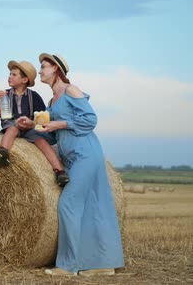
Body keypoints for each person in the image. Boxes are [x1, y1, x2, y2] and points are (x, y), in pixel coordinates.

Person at [17, 53, 124, 276]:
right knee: (93, 207)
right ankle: (102, 265)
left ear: (56, 69)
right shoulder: (51, 102)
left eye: (44, 67)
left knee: (68, 204)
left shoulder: (71, 90)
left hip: (86, 154)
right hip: (72, 158)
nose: (41, 71)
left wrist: (57, 123)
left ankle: (67, 266)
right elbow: (56, 136)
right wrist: (33, 125)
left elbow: (90, 119)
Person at [0, 60, 69, 187]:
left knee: (41, 141)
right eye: (10, 74)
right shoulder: (5, 94)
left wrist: (31, 123)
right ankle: (3, 151)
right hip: (11, 124)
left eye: (14, 74)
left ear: (24, 80)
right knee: (12, 129)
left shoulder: (34, 96)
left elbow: (43, 120)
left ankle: (59, 171)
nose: (9, 77)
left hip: (29, 128)